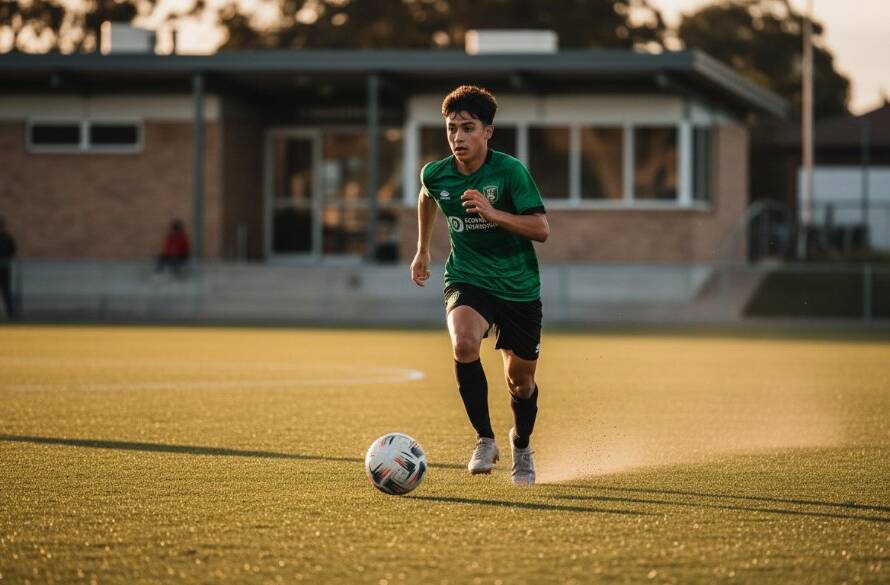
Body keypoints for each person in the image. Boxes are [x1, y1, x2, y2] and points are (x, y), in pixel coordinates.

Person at [410, 85, 549, 486]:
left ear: (487, 132)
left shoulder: (510, 172)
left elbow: (541, 229)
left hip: (519, 287)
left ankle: (521, 445)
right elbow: (426, 196)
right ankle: (484, 439)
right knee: (464, 344)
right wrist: (422, 250)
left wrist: (493, 212)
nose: (457, 138)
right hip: (467, 277)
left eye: (467, 128)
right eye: (451, 128)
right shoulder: (436, 173)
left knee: (520, 383)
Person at [0, 215, 17, 319]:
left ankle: (10, 313)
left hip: (5, 268)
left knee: (6, 291)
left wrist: (7, 259)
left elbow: (12, 251)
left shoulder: (7, 238)